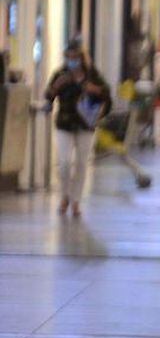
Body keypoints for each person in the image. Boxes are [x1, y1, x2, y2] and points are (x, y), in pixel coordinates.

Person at [45, 44, 112, 217]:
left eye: (75, 57)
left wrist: (95, 90)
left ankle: (76, 201)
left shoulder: (92, 75)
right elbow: (48, 95)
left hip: (86, 124)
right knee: (65, 163)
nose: (71, 61)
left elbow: (107, 96)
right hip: (64, 123)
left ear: (81, 58)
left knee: (82, 163)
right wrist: (55, 88)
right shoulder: (60, 75)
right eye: (69, 57)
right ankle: (65, 196)